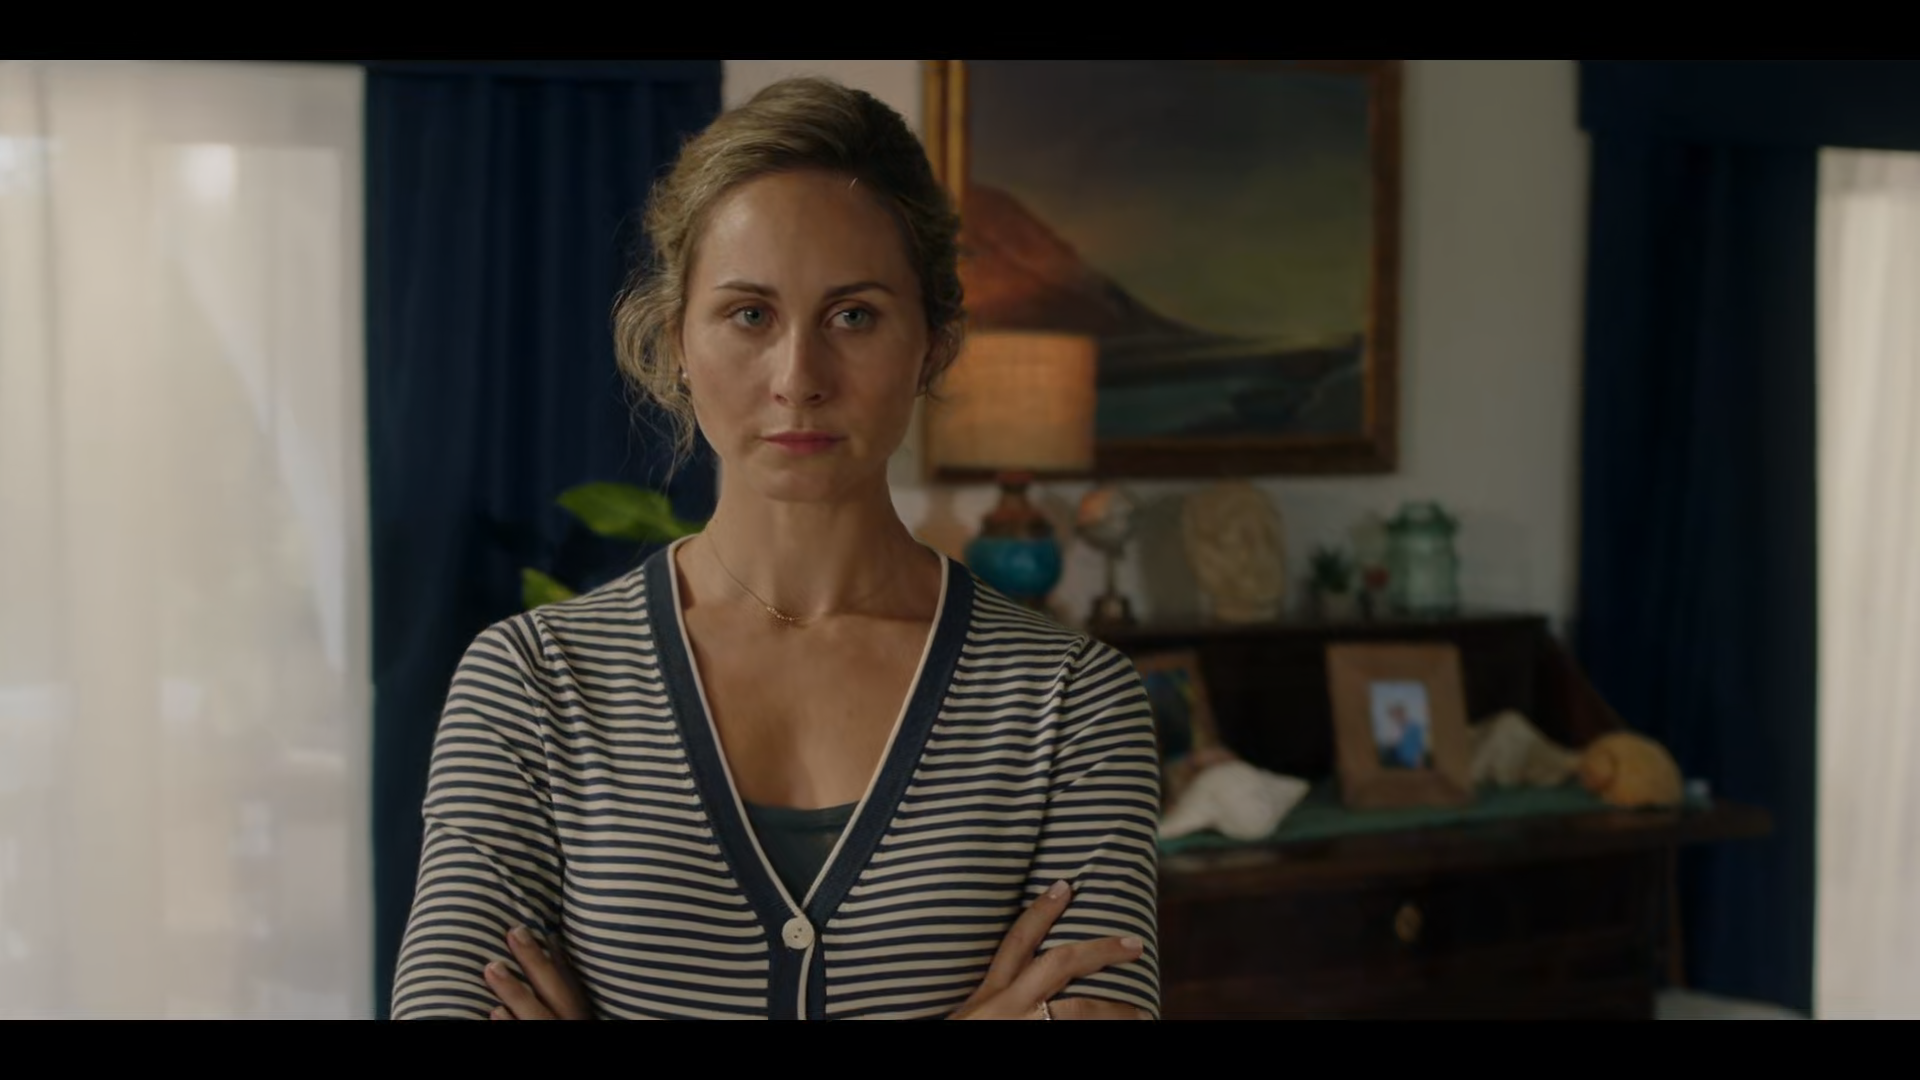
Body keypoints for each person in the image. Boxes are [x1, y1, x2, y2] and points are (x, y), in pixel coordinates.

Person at [388, 77, 1161, 1021]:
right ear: (677, 340)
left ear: (933, 344)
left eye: (854, 315)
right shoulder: (532, 686)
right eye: (750, 314)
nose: (799, 378)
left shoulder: (1072, 705)